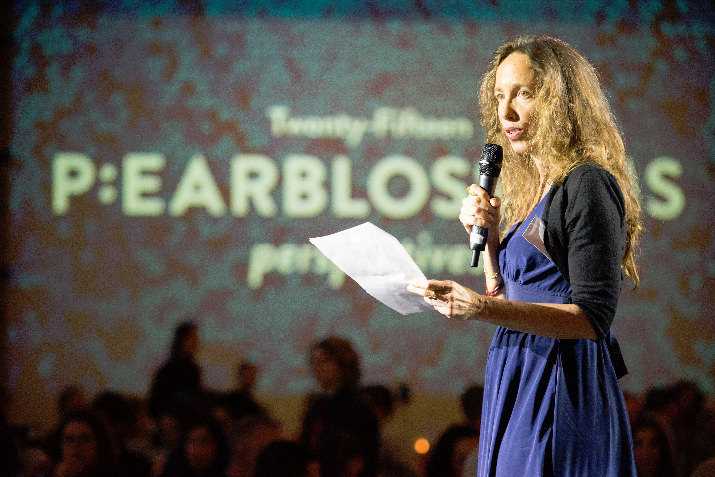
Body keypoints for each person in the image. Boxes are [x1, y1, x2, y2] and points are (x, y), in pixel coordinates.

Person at [407, 35, 642, 476]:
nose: (506, 113)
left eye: (524, 94)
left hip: (560, 382)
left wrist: (479, 307)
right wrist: (491, 244)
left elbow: (593, 319)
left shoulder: (587, 184)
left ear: (559, 101)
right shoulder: (536, 187)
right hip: (517, 369)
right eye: (499, 96)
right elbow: (512, 292)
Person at [299, 337, 379, 477]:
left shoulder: (357, 407)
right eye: (314, 362)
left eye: (324, 361)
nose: (317, 368)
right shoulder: (317, 405)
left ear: (343, 364)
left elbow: (364, 454)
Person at [148, 321, 204, 421]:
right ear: (183, 340)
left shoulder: (192, 368)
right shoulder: (171, 369)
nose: (196, 342)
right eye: (193, 338)